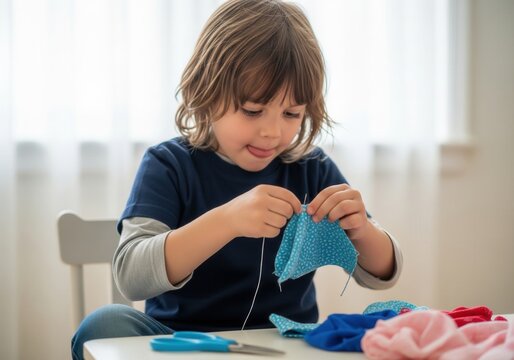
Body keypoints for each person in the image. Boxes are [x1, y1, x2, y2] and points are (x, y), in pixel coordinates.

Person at [71, 0, 403, 359]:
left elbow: (381, 274)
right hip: (181, 346)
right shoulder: (169, 165)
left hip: (285, 346)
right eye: (252, 110)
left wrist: (362, 231)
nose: (272, 132)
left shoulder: (313, 168)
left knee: (386, 328)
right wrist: (226, 221)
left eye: (291, 113)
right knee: (104, 325)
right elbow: (131, 275)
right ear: (205, 91)